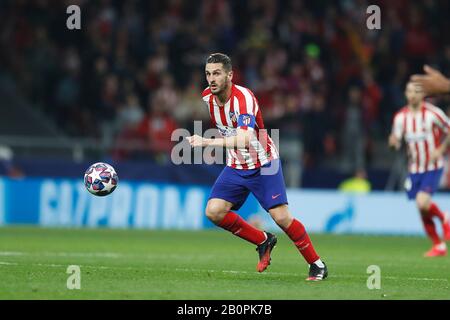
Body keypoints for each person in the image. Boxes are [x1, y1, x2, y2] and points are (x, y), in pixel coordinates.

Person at [186, 53, 327, 280]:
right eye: (208, 74)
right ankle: (263, 240)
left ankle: (317, 264)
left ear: (230, 75)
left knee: (281, 218)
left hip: (263, 163)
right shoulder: (207, 98)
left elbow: (243, 139)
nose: (211, 79)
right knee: (213, 211)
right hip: (236, 165)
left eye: (217, 73)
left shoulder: (244, 99)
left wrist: (206, 142)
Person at [389, 81, 450, 257]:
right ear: (405, 94)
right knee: (421, 208)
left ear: (423, 94)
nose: (412, 94)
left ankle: (444, 217)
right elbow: (396, 140)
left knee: (422, 202)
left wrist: (440, 149)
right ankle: (438, 245)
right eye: (409, 91)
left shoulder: (433, 114)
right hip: (414, 169)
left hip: (433, 166)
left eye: (416, 91)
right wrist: (392, 143)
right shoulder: (401, 117)